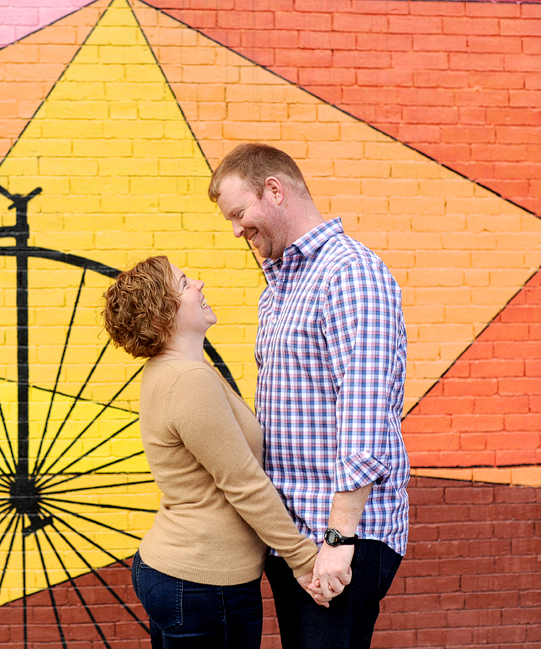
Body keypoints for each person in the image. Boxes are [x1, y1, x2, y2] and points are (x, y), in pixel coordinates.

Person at [208, 143, 410, 649]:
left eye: (239, 213)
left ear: (274, 191)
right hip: (297, 539)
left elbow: (364, 414)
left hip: (340, 537)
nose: (236, 230)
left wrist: (338, 542)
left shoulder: (349, 273)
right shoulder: (279, 285)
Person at [103, 256, 327, 649]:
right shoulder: (187, 380)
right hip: (204, 584)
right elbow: (242, 482)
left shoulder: (175, 371)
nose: (200, 284)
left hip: (183, 575)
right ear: (161, 318)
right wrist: (304, 560)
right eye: (185, 283)